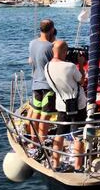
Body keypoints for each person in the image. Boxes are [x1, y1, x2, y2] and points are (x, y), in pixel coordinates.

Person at [44, 40, 87, 172]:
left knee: (60, 134)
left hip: (61, 105)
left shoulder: (47, 67)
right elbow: (82, 80)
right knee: (78, 134)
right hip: (77, 105)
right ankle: (78, 167)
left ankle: (56, 164)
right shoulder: (70, 67)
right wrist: (80, 64)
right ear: (64, 52)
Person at [28, 19, 56, 149]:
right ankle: (42, 143)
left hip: (36, 84)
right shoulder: (50, 47)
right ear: (51, 30)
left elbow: (30, 60)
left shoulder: (32, 43)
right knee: (45, 116)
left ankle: (33, 142)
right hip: (48, 86)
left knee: (35, 113)